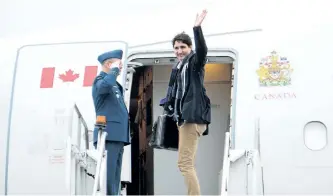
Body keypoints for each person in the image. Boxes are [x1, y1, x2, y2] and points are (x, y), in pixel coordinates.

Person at [162, 9, 211, 195]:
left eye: (183, 47)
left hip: (192, 119)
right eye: (176, 48)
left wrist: (197, 28)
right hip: (183, 119)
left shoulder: (194, 64)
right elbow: (177, 92)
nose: (179, 51)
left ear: (190, 48)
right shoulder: (179, 67)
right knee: (184, 163)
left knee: (185, 164)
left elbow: (202, 51)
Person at [92, 49, 130, 195]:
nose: (120, 69)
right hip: (109, 136)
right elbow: (104, 88)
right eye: (118, 65)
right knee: (108, 177)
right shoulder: (101, 81)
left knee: (115, 178)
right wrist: (113, 71)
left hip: (118, 136)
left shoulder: (114, 85)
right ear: (109, 64)